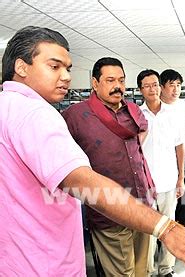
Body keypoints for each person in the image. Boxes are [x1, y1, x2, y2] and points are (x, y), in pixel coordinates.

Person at [0, 26, 185, 276]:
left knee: (140, 269)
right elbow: (82, 182)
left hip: (137, 204)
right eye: (54, 67)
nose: (65, 76)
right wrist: (167, 228)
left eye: (68, 68)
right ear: (22, 67)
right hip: (53, 254)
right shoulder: (47, 115)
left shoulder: (132, 113)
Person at [62, 57, 154, 276]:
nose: (118, 86)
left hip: (143, 204)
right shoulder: (75, 116)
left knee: (143, 270)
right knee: (122, 273)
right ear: (95, 83)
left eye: (121, 80)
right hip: (109, 211)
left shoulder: (133, 110)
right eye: (110, 80)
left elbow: (142, 130)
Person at [138, 69, 185, 277]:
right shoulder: (136, 115)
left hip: (168, 181)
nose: (152, 88)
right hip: (144, 184)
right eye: (147, 85)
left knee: (168, 228)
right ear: (140, 90)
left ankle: (166, 268)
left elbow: (180, 148)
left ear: (160, 86)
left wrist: (181, 178)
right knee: (147, 230)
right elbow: (132, 149)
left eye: (155, 84)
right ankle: (147, 270)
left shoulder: (173, 114)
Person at [159, 69, 185, 231]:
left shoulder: (183, 106)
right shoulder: (156, 108)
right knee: (165, 205)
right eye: (171, 85)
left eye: (179, 85)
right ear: (161, 87)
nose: (176, 90)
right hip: (164, 161)